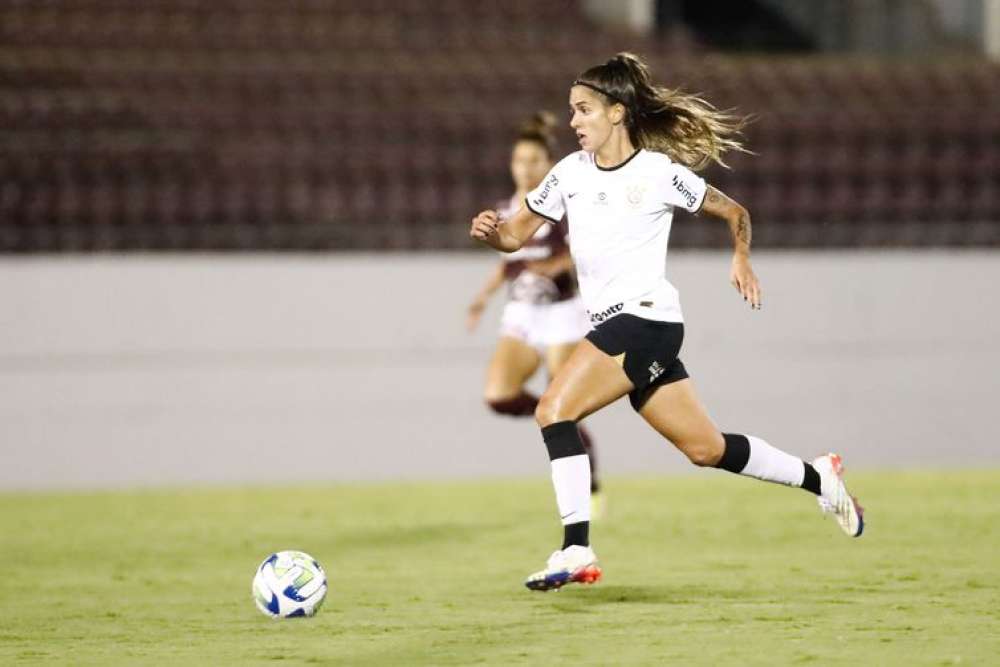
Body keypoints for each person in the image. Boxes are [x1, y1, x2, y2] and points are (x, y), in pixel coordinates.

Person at [469, 53, 864, 593]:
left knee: (552, 409)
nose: (574, 121)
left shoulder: (657, 174)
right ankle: (821, 477)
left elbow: (734, 211)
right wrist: (492, 231)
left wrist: (740, 257)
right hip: (625, 327)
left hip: (645, 322)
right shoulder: (569, 174)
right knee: (707, 450)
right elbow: (514, 236)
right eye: (571, 110)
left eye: (583, 109)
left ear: (617, 112)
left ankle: (576, 547)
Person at [466, 112, 604, 514]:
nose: (524, 168)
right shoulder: (504, 209)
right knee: (498, 394)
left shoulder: (563, 205)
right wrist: (483, 296)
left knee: (564, 408)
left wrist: (555, 266)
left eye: (532, 161)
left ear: (548, 165)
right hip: (522, 314)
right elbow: (508, 262)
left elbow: (579, 252)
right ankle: (551, 416)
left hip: (562, 314)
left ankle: (586, 488)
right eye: (518, 161)